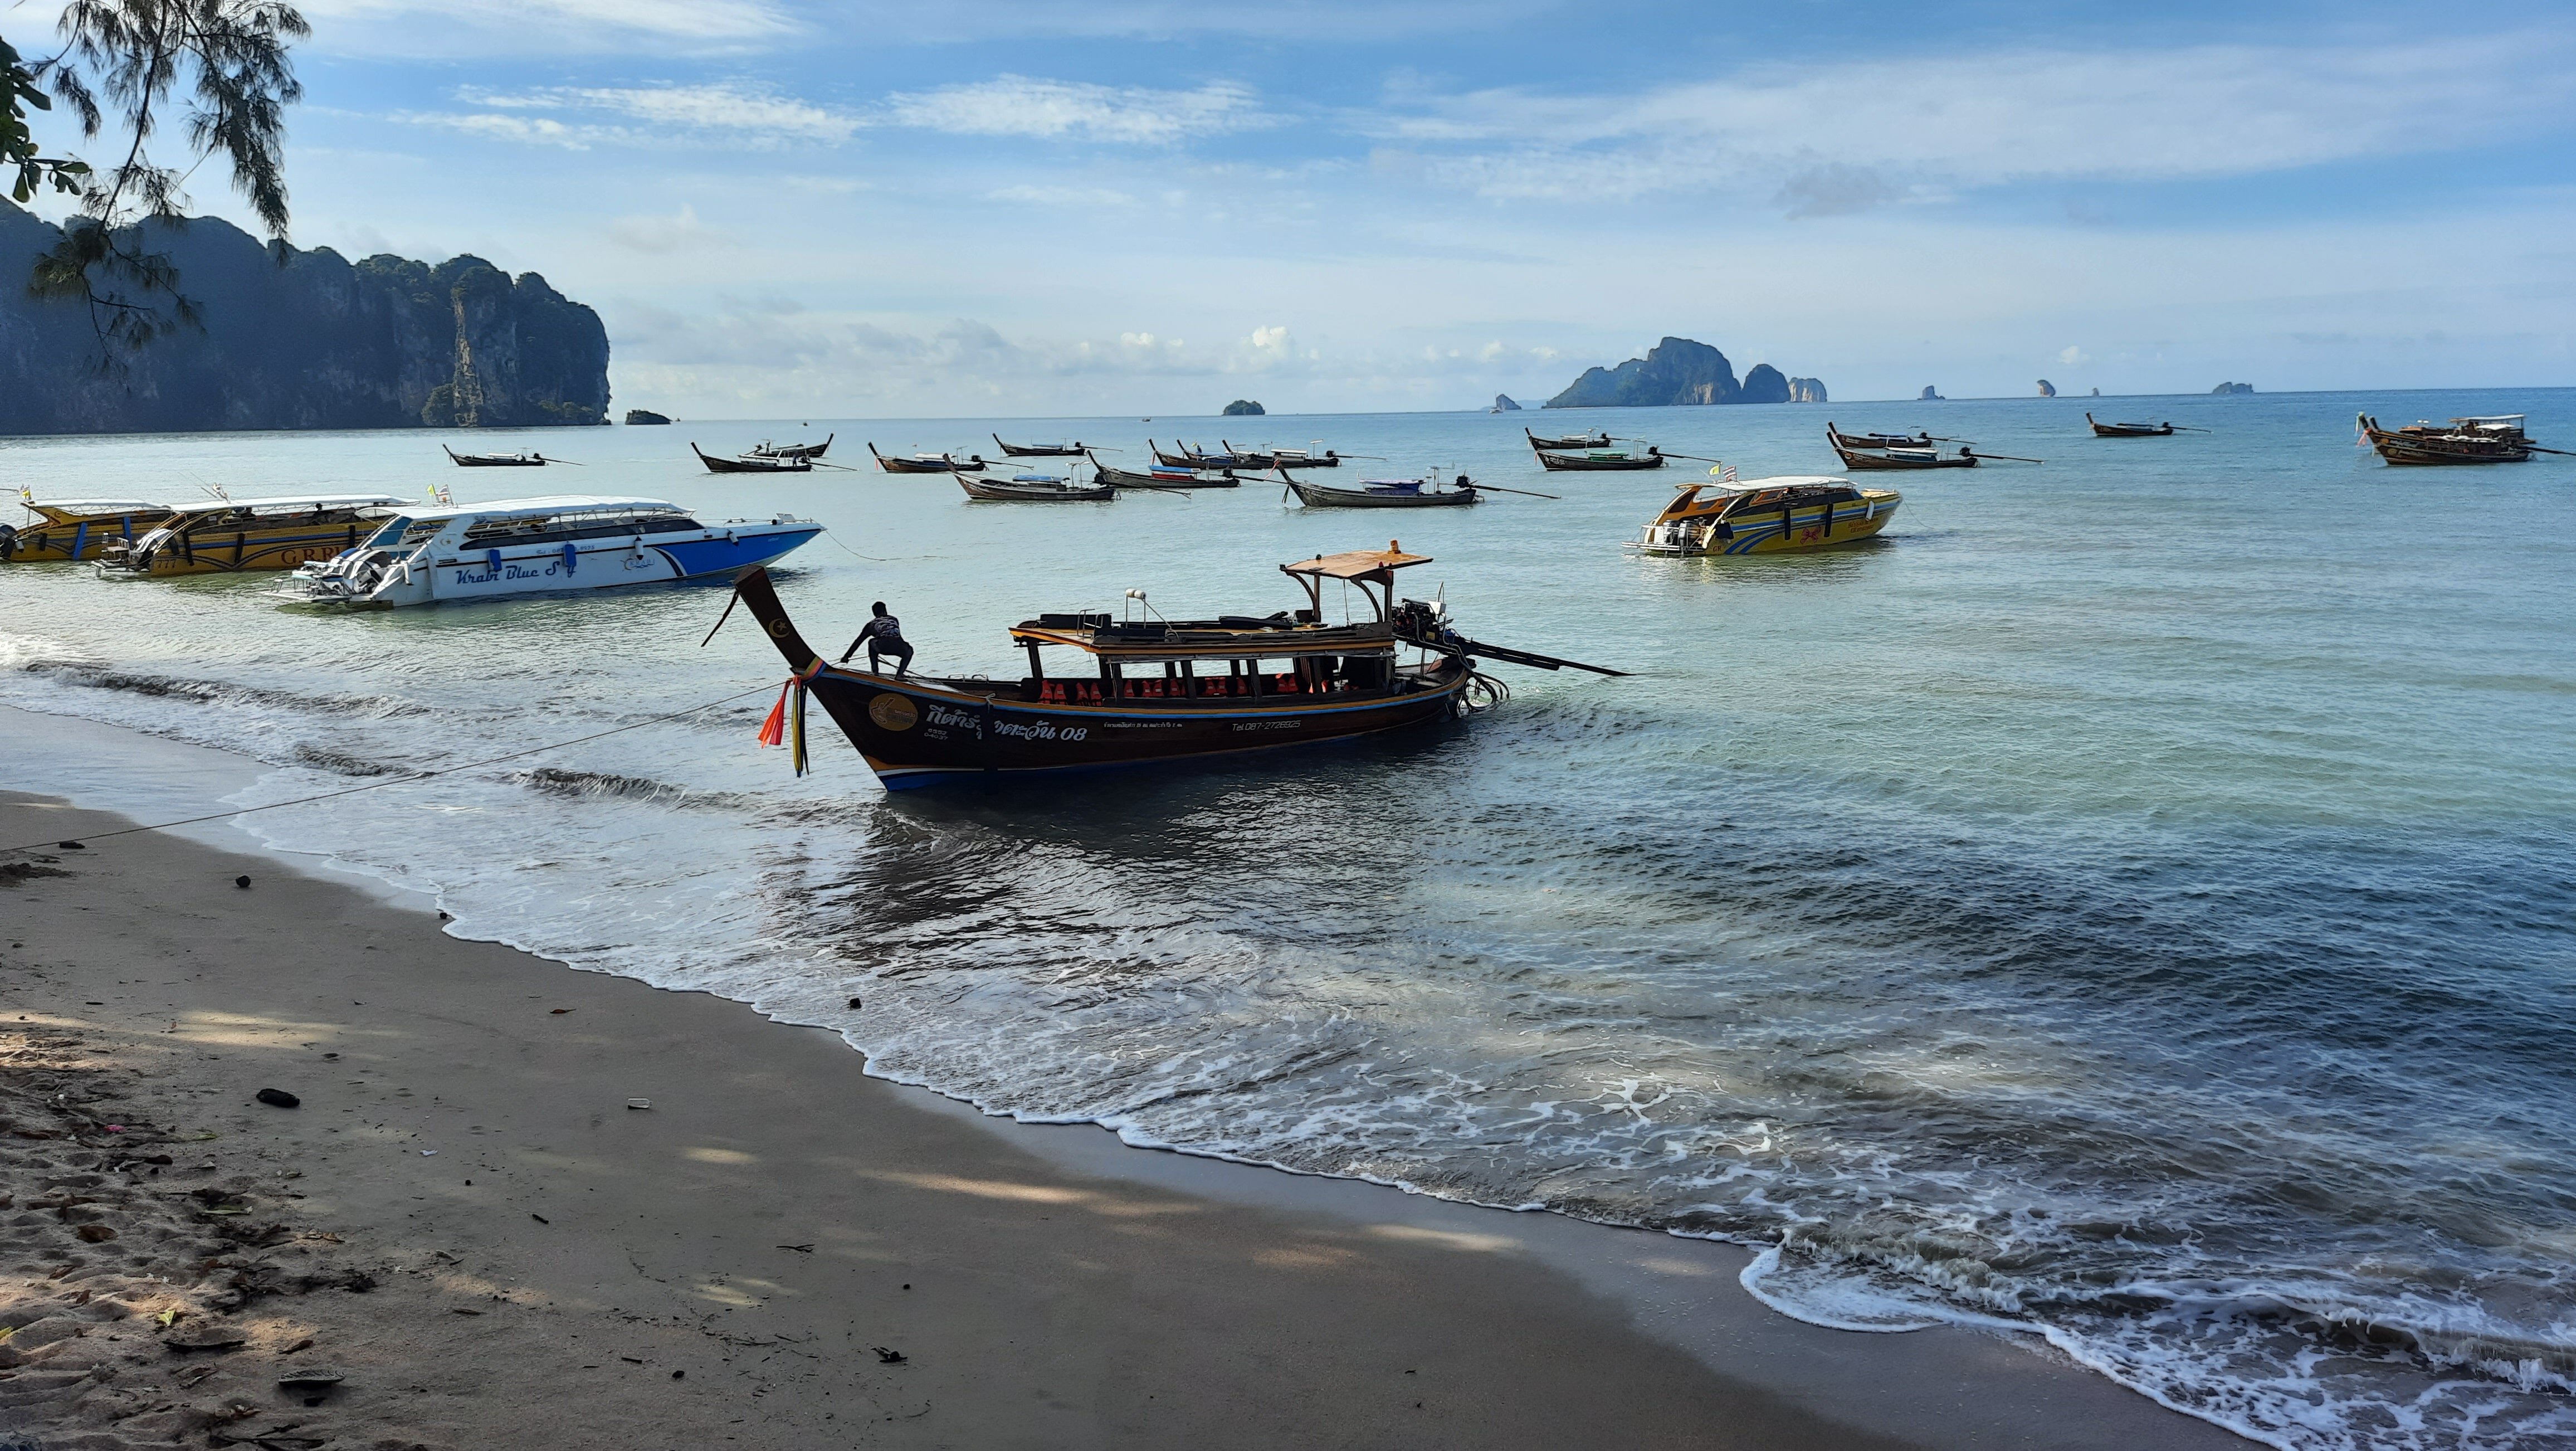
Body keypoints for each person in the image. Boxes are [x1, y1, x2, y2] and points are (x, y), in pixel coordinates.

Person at [843, 602, 914, 677]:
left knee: (871, 642)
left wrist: (847, 656)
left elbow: (859, 641)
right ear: (885, 611)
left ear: (874, 613)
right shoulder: (894, 619)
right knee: (909, 650)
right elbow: (896, 635)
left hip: (883, 647)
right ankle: (900, 674)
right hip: (898, 646)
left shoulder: (871, 624)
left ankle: (875, 672)